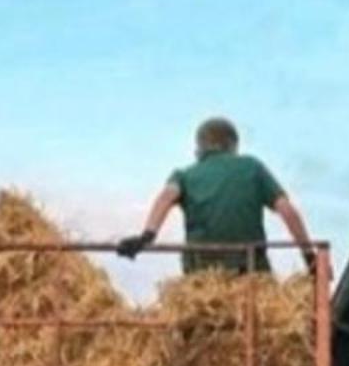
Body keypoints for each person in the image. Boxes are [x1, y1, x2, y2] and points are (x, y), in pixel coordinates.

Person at [118, 116, 317, 273]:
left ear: (199, 146)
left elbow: (166, 197)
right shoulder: (252, 167)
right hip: (249, 272)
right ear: (233, 145)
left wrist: (146, 237)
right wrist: (309, 255)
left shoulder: (185, 175)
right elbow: (287, 210)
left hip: (202, 272)